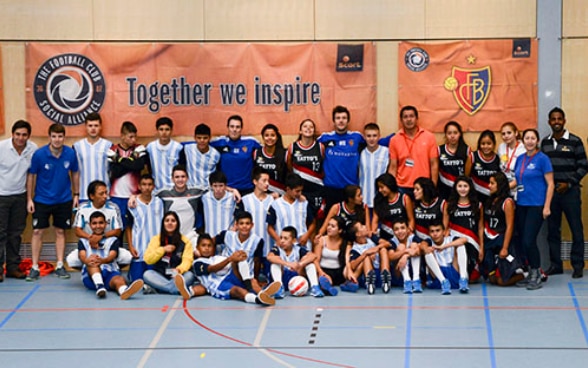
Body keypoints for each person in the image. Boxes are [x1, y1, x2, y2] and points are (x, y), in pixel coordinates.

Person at [26, 123, 79, 281]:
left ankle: (60, 265)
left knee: (60, 232)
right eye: (54, 136)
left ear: (64, 137)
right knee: (37, 232)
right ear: (49, 137)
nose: (57, 139)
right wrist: (29, 198)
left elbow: (75, 173)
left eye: (60, 136)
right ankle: (34, 267)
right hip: (42, 199)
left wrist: (76, 194)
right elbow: (31, 176)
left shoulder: (70, 153)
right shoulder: (39, 155)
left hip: (64, 199)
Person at [541, 107, 588, 278]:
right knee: (553, 231)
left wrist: (569, 183)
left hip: (570, 192)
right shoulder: (545, 143)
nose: (556, 122)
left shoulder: (575, 141)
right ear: (549, 122)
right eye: (553, 119)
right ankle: (556, 265)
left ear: (564, 120)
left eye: (559, 119)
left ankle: (577, 265)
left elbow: (584, 166)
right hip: (551, 194)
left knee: (576, 229)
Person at [513, 129, 554, 290]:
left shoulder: (543, 159)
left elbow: (550, 183)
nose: (529, 141)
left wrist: (547, 206)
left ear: (537, 141)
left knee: (529, 240)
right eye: (527, 138)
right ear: (522, 140)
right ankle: (530, 273)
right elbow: (517, 180)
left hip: (537, 205)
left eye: (532, 138)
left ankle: (537, 273)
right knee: (523, 241)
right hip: (521, 204)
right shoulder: (520, 159)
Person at [190, 234, 280, 306]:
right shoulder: (197, 262)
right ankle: (257, 299)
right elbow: (212, 268)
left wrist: (239, 256)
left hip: (229, 276)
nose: (207, 248)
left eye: (209, 246)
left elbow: (229, 265)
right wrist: (230, 259)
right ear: (197, 247)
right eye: (203, 245)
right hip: (219, 285)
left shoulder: (217, 257)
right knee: (237, 290)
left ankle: (262, 293)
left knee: (244, 267)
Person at [0, 120, 37, 280]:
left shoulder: (32, 149)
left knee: (15, 234)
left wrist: (29, 198)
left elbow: (31, 175)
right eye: (17, 134)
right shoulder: (1, 148)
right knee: (0, 234)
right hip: (2, 196)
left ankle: (13, 267)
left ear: (28, 136)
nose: (20, 138)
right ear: (12, 134)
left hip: (20, 196)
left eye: (24, 135)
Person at [78, 211, 143, 300]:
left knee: (119, 279)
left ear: (105, 224)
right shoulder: (83, 241)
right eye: (94, 223)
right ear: (89, 225)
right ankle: (99, 286)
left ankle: (124, 291)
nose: (98, 226)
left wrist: (102, 261)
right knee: (93, 262)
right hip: (91, 278)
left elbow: (112, 256)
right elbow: (82, 256)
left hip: (109, 273)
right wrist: (88, 261)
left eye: (101, 223)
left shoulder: (113, 240)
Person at [65, 180, 126, 269]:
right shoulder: (82, 208)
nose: (105, 196)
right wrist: (91, 238)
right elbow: (78, 231)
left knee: (126, 257)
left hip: (108, 245)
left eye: (106, 193)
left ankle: (111, 267)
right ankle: (87, 268)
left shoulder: (113, 207)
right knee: (71, 260)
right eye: (101, 194)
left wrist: (102, 236)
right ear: (92, 196)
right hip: (88, 245)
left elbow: (118, 231)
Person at [318, 105, 365, 210]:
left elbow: (374, 143)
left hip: (351, 189)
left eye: (344, 118)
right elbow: (309, 148)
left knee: (352, 224)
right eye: (338, 118)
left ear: (348, 120)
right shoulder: (325, 138)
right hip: (331, 188)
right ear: (333, 121)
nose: (341, 121)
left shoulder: (357, 137)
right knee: (331, 223)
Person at [388, 105, 439, 195]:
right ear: (401, 120)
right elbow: (393, 166)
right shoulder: (394, 140)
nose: (409, 119)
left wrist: (433, 185)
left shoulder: (429, 137)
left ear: (417, 118)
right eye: (405, 117)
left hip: (423, 186)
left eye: (411, 116)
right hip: (401, 186)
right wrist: (391, 188)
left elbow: (434, 164)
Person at [143, 211, 195, 295]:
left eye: (173, 221)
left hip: (177, 274)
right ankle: (175, 289)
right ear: (163, 223)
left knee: (190, 275)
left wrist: (179, 270)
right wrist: (162, 249)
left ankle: (160, 288)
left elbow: (187, 260)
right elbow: (148, 259)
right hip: (161, 273)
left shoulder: (185, 241)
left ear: (177, 224)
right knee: (147, 274)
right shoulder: (156, 239)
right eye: (167, 221)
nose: (170, 223)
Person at [107, 121, 148, 227]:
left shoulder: (139, 148)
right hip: (116, 195)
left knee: (135, 226)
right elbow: (115, 172)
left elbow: (139, 166)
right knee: (118, 226)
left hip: (134, 195)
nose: (134, 140)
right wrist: (132, 161)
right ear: (122, 136)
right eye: (130, 137)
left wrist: (119, 159)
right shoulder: (112, 150)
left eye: (135, 137)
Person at [125, 175, 165, 284]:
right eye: (144, 184)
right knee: (137, 281)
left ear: (153, 187)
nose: (147, 187)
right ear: (139, 186)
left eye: (149, 185)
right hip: (139, 249)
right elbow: (128, 227)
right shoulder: (132, 204)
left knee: (153, 281)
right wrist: (130, 246)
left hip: (155, 250)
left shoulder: (160, 202)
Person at [236, 168, 274, 277]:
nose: (267, 184)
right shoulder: (245, 200)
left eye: (268, 181)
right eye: (264, 180)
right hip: (250, 250)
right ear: (255, 182)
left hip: (268, 249)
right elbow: (238, 223)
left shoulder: (273, 200)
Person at [443, 176, 482, 279]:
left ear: (470, 188)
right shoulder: (449, 205)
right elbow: (445, 227)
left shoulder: (478, 205)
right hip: (455, 242)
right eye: (460, 186)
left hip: (473, 242)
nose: (462, 189)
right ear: (455, 188)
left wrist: (481, 247)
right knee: (458, 274)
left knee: (473, 278)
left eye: (465, 186)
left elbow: (480, 227)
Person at [267, 226, 324, 298]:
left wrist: (300, 264)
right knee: (275, 263)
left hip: (296, 278)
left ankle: (315, 287)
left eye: (285, 238)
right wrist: (289, 264)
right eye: (281, 237)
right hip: (282, 278)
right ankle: (279, 288)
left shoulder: (298, 249)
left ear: (294, 240)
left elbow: (313, 256)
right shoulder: (276, 249)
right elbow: (269, 257)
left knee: (309, 263)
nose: (282, 241)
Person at [210, 115, 261, 195]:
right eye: (232, 126)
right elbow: (201, 143)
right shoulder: (220, 142)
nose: (234, 130)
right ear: (228, 127)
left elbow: (266, 151)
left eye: (237, 127)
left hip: (247, 189)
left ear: (241, 128)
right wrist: (182, 145)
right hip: (226, 190)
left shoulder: (251, 142)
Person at [157, 165, 205, 244]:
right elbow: (147, 195)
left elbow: (215, 189)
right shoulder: (164, 194)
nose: (180, 179)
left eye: (183, 176)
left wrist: (231, 190)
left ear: (187, 178)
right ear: (172, 179)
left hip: (190, 236)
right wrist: (134, 196)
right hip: (171, 237)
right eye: (177, 177)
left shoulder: (195, 193)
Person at [215, 211, 264, 287]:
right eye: (241, 223)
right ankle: (252, 289)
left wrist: (256, 278)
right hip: (226, 272)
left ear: (252, 225)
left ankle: (259, 293)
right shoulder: (226, 235)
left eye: (247, 223)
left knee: (242, 260)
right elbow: (211, 242)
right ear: (236, 225)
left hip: (246, 274)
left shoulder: (257, 241)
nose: (244, 226)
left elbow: (257, 261)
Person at [267, 173, 316, 250]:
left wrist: (307, 235)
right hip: (283, 247)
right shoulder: (275, 205)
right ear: (288, 189)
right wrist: (278, 240)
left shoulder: (304, 203)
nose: (299, 193)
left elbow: (312, 223)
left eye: (301, 191)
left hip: (301, 245)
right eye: (297, 191)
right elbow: (270, 227)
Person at [481, 172, 515, 280]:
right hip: (489, 241)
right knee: (491, 278)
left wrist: (505, 248)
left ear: (499, 185)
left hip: (501, 239)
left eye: (492, 183)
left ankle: (524, 273)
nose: (489, 186)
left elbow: (510, 226)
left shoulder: (507, 202)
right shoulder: (489, 200)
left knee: (502, 281)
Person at [286, 118, 325, 213]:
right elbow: (289, 167)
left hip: (316, 189)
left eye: (311, 127)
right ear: (300, 131)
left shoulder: (320, 147)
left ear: (314, 131)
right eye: (305, 126)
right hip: (299, 190)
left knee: (316, 218)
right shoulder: (292, 147)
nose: (308, 128)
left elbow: (323, 166)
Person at [73, 112, 112, 203]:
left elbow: (112, 171)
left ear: (100, 127)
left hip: (104, 195)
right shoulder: (77, 146)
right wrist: (76, 194)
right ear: (85, 127)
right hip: (84, 195)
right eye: (90, 126)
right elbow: (75, 173)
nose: (93, 128)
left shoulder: (108, 145)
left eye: (96, 125)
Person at [421, 221, 469, 294]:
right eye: (432, 231)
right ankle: (444, 282)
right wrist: (426, 248)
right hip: (438, 276)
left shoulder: (450, 239)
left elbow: (464, 240)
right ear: (429, 234)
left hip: (454, 272)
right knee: (427, 252)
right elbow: (422, 245)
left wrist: (443, 247)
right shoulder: (429, 241)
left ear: (443, 232)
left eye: (438, 230)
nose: (435, 234)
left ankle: (463, 279)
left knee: (461, 246)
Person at [347, 220, 392, 294]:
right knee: (366, 258)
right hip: (367, 274)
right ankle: (370, 283)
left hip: (379, 270)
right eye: (362, 226)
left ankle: (385, 278)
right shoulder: (355, 249)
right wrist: (365, 254)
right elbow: (353, 265)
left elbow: (388, 244)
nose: (365, 226)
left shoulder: (371, 238)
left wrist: (376, 249)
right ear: (358, 234)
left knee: (383, 249)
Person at [372, 173, 415, 242]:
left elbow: (411, 219)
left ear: (389, 185)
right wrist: (374, 234)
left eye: (382, 187)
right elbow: (375, 221)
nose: (380, 190)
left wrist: (409, 232)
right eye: (378, 188)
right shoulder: (378, 200)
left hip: (403, 236)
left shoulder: (404, 198)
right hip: (385, 237)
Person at [145, 117, 182, 193]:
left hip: (174, 191)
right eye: (161, 129)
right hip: (156, 191)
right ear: (157, 131)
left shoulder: (178, 148)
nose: (164, 132)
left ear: (171, 131)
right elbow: (148, 168)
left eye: (167, 129)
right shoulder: (150, 147)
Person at [179, 123, 220, 190]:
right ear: (194, 138)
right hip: (191, 190)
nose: (202, 140)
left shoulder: (216, 154)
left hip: (208, 191)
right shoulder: (187, 149)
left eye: (205, 138)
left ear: (210, 138)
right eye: (199, 138)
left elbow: (217, 174)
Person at [359, 123, 389, 211]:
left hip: (382, 198)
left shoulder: (386, 152)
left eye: (374, 136)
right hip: (364, 199)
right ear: (364, 137)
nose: (372, 139)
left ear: (379, 136)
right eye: (368, 136)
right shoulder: (360, 153)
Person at [466, 130, 500, 204]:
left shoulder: (497, 158)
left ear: (494, 144)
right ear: (479, 144)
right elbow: (466, 177)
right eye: (483, 144)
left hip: (491, 198)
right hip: (475, 197)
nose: (486, 146)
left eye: (489, 143)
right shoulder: (472, 156)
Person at [438, 121, 470, 199]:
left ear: (460, 134)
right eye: (449, 133)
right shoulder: (439, 150)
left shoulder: (467, 150)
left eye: (455, 133)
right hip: (443, 190)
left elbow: (468, 174)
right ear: (445, 135)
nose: (452, 136)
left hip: (460, 191)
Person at [389, 218, 422, 294]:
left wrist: (405, 256)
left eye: (403, 228)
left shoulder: (413, 238)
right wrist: (405, 251)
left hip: (413, 271)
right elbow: (391, 256)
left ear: (408, 229)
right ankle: (406, 281)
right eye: (396, 229)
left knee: (414, 246)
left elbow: (420, 250)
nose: (400, 231)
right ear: (393, 232)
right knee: (401, 247)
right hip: (398, 274)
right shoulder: (392, 241)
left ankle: (416, 280)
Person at [199, 170, 236, 238]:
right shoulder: (205, 198)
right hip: (210, 238)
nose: (218, 189)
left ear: (225, 186)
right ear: (211, 186)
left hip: (227, 238)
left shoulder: (233, 198)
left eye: (221, 186)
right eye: (215, 186)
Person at [313, 216, 348, 289]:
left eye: (333, 226)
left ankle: (346, 285)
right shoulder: (322, 240)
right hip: (324, 270)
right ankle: (328, 287)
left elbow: (347, 260)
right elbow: (316, 260)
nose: (329, 228)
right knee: (324, 280)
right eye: (328, 225)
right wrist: (321, 272)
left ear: (340, 230)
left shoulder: (344, 242)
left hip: (339, 272)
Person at [254, 123, 287, 195]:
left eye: (272, 135)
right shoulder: (256, 153)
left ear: (277, 137)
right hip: (262, 195)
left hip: (280, 195)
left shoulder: (285, 154)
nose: (269, 138)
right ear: (262, 137)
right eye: (266, 135)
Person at [497, 122, 525, 196]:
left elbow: (523, 174)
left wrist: (505, 187)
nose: (506, 136)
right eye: (503, 134)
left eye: (509, 133)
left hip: (518, 189)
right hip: (504, 188)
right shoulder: (501, 147)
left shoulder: (523, 149)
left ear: (516, 133)